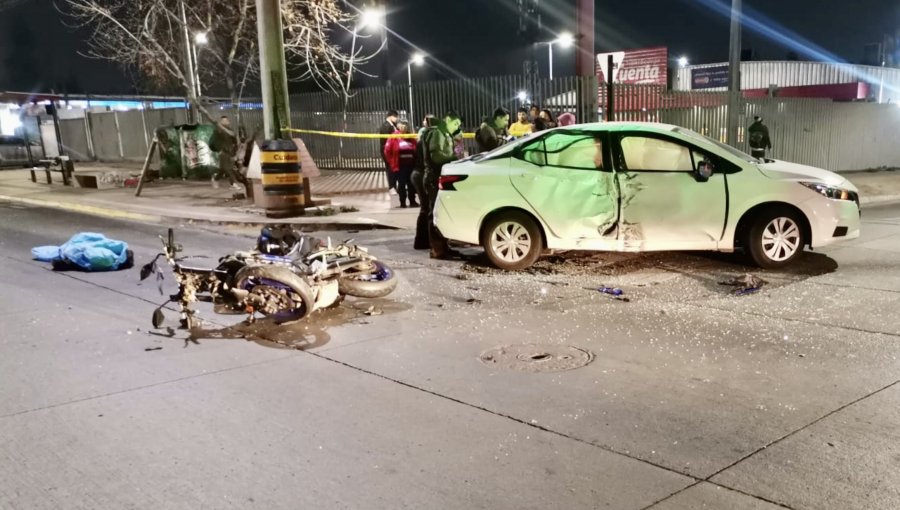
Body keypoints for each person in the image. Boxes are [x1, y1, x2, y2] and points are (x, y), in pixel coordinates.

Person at [423, 110, 463, 259]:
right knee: (434, 213)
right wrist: (454, 158)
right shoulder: (438, 133)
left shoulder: (445, 133)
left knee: (441, 213)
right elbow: (437, 156)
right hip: (433, 178)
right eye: (455, 123)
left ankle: (443, 247)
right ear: (447, 120)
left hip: (440, 176)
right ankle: (437, 249)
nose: (457, 127)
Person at [411, 114, 437, 250]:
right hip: (421, 174)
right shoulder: (427, 139)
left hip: (417, 174)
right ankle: (422, 241)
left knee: (425, 208)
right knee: (426, 208)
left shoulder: (424, 138)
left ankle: (422, 241)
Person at [383, 121, 419, 208]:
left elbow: (416, 149)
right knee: (402, 184)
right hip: (400, 166)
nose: (404, 128)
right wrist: (391, 162)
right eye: (402, 126)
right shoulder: (394, 137)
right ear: (399, 127)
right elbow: (387, 150)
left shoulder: (410, 136)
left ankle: (412, 201)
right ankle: (402, 202)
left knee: (411, 184)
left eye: (406, 126)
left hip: (411, 165)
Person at [378, 110, 400, 191]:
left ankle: (394, 186)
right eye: (396, 116)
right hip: (387, 152)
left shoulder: (393, 125)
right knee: (390, 169)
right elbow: (387, 141)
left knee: (394, 169)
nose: (397, 118)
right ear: (390, 116)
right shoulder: (386, 126)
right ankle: (392, 187)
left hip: (393, 151)